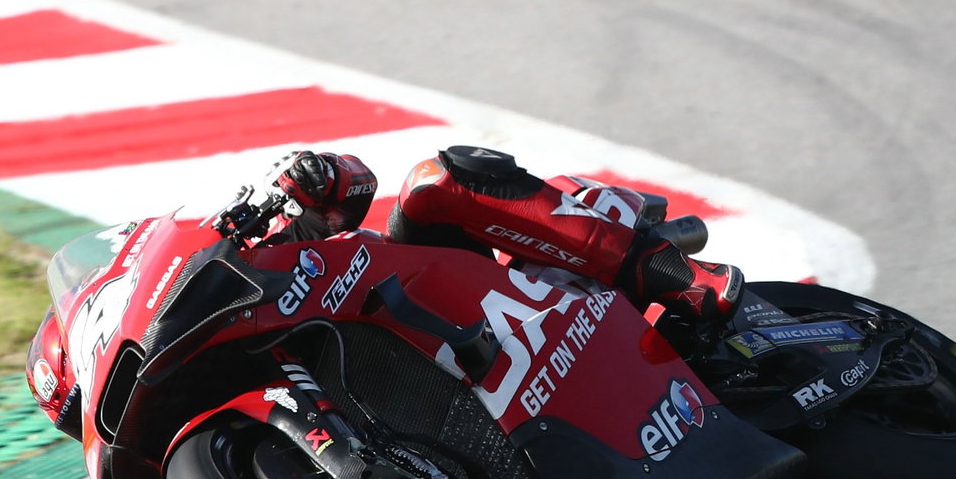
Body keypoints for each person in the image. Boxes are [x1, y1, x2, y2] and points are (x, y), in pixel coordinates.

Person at [260, 145, 743, 325]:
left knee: (431, 182)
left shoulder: (272, 252)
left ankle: (672, 275)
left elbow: (354, 179)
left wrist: (312, 177)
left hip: (464, 305)